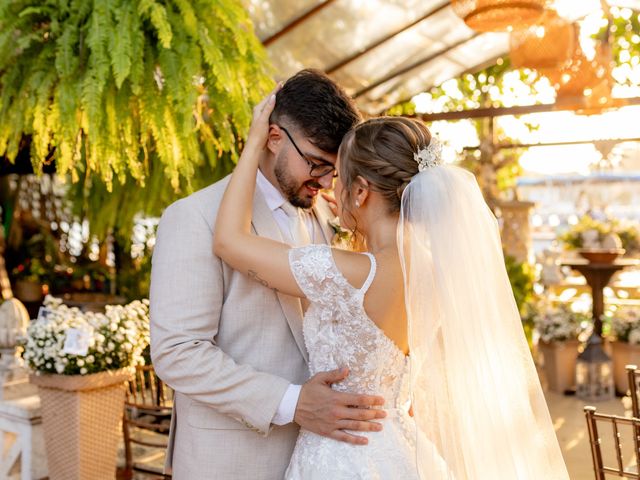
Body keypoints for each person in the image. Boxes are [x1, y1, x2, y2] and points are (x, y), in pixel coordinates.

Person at [214, 90, 570, 478]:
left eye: (340, 181)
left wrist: (252, 144)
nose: (331, 190)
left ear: (363, 190)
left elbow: (229, 241)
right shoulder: (434, 272)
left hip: (340, 457)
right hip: (400, 448)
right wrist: (359, 216)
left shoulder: (348, 272)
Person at [150, 70, 387, 480]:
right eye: (316, 164)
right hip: (231, 460)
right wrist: (292, 402)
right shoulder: (194, 218)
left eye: (335, 169)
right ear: (273, 137)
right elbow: (177, 352)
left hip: (318, 459)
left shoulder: (325, 214)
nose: (328, 182)